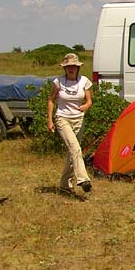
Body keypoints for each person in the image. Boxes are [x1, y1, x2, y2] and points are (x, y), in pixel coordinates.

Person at [47, 53, 93, 194]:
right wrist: (49, 120)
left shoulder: (84, 81)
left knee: (72, 152)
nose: (71, 69)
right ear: (64, 68)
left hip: (78, 119)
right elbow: (51, 100)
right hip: (63, 118)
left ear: (78, 68)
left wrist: (86, 106)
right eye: (68, 66)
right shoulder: (58, 82)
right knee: (75, 148)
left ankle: (65, 184)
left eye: (73, 66)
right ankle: (83, 180)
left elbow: (89, 101)